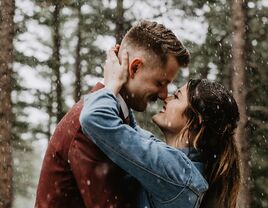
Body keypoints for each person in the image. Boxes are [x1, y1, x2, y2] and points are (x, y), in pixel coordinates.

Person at [35, 20, 190, 208]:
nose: (164, 95)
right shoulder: (89, 126)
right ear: (134, 68)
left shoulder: (114, 120)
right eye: (160, 83)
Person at [79, 49, 241, 208]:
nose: (166, 98)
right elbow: (131, 133)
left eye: (177, 96)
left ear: (196, 121)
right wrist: (127, 82)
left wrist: (112, 83)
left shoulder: (178, 172)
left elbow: (94, 118)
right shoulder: (180, 168)